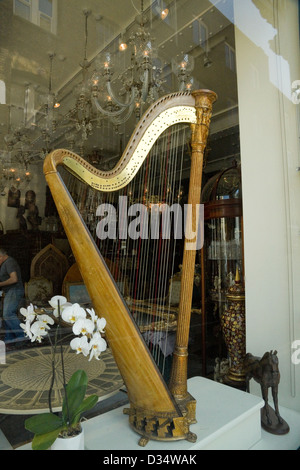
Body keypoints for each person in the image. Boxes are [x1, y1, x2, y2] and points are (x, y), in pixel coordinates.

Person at [0, 248, 25, 345]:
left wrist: (0, 284)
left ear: (1, 256)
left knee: (8, 314)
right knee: (6, 316)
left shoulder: (9, 262)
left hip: (14, 290)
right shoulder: (5, 263)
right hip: (10, 291)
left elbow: (14, 279)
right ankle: (9, 338)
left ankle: (21, 337)